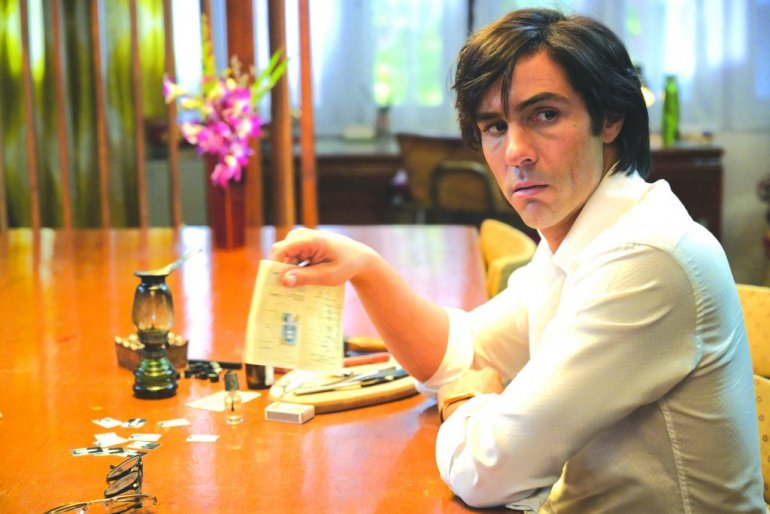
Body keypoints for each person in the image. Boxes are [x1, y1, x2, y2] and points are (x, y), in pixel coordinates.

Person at [269, 8, 764, 513]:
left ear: (610, 118)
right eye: (495, 126)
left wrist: (465, 403)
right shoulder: (581, 232)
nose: (516, 152)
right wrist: (365, 270)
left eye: (544, 115)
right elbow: (460, 354)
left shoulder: (644, 257)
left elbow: (489, 471)